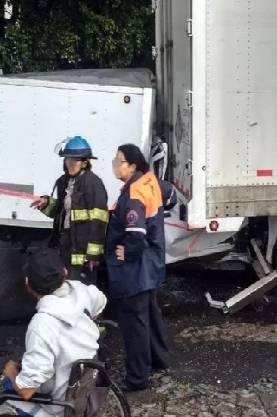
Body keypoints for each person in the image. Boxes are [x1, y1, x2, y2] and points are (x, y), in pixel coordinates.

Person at [0, 248, 107, 417]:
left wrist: (10, 371)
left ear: (27, 284)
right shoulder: (82, 291)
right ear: (65, 272)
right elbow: (100, 302)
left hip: (58, 407)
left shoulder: (42, 324)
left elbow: (27, 390)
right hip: (85, 392)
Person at [106, 143, 176, 392]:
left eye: (119, 161)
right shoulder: (150, 181)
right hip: (151, 264)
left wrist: (128, 253)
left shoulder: (134, 192)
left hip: (135, 269)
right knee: (150, 315)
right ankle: (159, 359)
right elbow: (171, 196)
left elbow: (135, 235)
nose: (115, 164)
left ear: (133, 165)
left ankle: (137, 378)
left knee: (134, 324)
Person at [30, 136, 108, 282]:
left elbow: (98, 222)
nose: (70, 163)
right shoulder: (64, 182)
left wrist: (93, 255)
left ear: (85, 162)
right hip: (65, 245)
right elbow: (63, 213)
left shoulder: (93, 183)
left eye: (75, 160)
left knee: (82, 293)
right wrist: (46, 203)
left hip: (82, 250)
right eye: (68, 159)